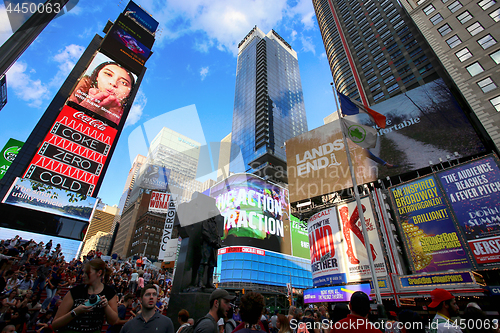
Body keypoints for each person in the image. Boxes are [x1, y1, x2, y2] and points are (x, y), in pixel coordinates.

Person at [51, 258, 118, 333]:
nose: (83, 276)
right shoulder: (75, 291)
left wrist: (106, 306)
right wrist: (75, 312)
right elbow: (55, 324)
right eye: (83, 273)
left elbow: (113, 321)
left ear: (99, 273)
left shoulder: (109, 292)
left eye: (87, 273)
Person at [68, 61, 135, 124]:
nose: (113, 83)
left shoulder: (127, 117)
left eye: (123, 83)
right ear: (97, 76)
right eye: (108, 74)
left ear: (129, 93)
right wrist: (89, 106)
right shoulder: (80, 87)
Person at [196, 211, 222, 289]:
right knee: (204, 263)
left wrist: (218, 242)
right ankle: (200, 281)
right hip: (207, 246)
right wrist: (211, 240)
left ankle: (209, 282)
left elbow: (217, 235)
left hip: (214, 247)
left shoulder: (215, 224)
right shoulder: (206, 222)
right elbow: (204, 232)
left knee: (212, 265)